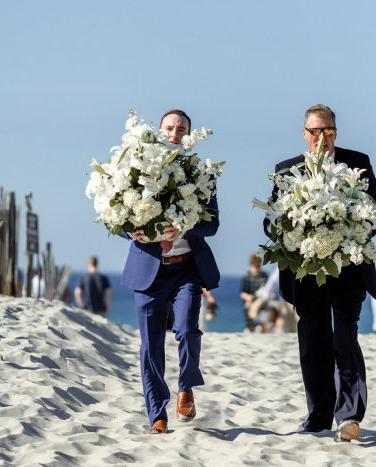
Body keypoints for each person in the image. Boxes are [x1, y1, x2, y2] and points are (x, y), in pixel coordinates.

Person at [264, 104, 376, 442]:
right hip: (306, 272)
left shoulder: (357, 163)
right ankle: (318, 417)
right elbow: (270, 222)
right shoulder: (285, 171)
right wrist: (294, 229)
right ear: (304, 134)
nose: (322, 138)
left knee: (345, 337)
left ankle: (349, 415)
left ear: (335, 132)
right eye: (315, 131)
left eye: (328, 131)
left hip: (349, 269)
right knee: (313, 343)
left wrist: (352, 232)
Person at [118, 109, 220, 435]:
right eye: (169, 128)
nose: (175, 134)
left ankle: (186, 386)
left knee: (188, 329)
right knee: (150, 347)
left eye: (181, 129)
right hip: (148, 270)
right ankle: (157, 415)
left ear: (189, 136)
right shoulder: (136, 170)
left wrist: (183, 225)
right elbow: (119, 213)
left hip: (186, 269)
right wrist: (129, 230)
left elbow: (212, 224)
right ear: (159, 132)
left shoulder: (201, 175)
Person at [240, 255, 268, 332]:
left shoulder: (264, 275)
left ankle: (263, 335)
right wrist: (248, 297)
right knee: (250, 325)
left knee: (262, 322)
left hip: (262, 301)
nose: (257, 266)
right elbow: (242, 292)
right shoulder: (247, 275)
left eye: (258, 264)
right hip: (250, 301)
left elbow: (268, 289)